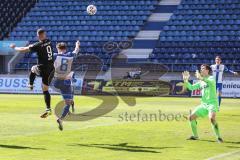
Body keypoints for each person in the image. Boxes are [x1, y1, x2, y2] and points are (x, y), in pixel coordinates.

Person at [10, 28, 54, 118]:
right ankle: (48, 109)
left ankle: (30, 84)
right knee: (45, 89)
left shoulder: (37, 45)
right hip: (51, 69)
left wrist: (14, 47)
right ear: (44, 35)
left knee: (33, 68)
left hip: (43, 67)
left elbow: (23, 49)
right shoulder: (49, 41)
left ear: (38, 36)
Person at [182, 64, 223, 143]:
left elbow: (208, 81)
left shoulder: (211, 78)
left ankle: (219, 137)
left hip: (212, 103)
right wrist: (186, 80)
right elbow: (191, 88)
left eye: (203, 68)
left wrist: (200, 77)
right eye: (201, 69)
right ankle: (195, 136)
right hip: (204, 104)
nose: (201, 70)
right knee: (191, 118)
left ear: (207, 70)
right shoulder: (201, 81)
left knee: (212, 118)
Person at [53, 40, 80, 131]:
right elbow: (76, 50)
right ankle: (61, 119)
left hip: (56, 82)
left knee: (67, 100)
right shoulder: (70, 55)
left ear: (58, 48)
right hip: (66, 82)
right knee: (68, 102)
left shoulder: (55, 55)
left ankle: (67, 108)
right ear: (65, 48)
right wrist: (77, 45)